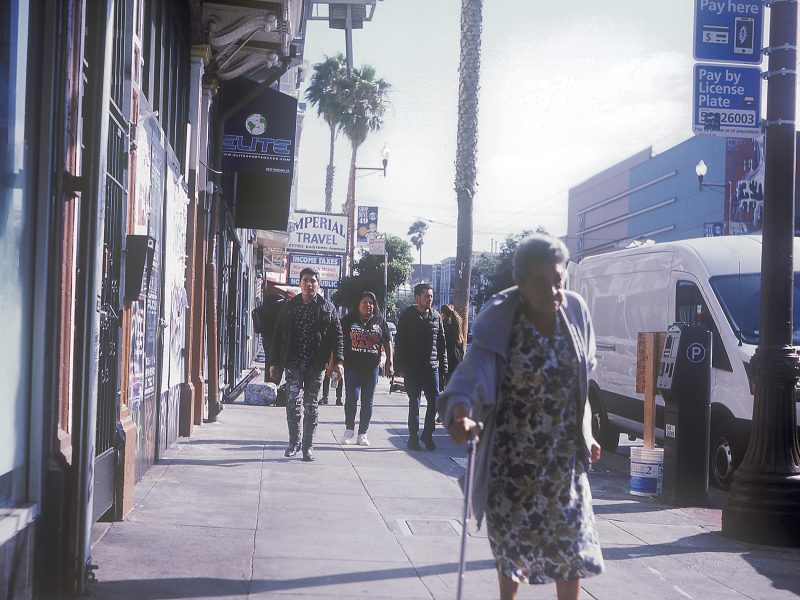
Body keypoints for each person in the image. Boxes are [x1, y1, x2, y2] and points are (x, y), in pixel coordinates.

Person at [440, 234, 604, 600]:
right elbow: (470, 377)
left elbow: (579, 389)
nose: (552, 290)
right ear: (522, 284)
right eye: (540, 282)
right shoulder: (502, 320)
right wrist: (462, 415)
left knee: (570, 553)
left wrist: (587, 434)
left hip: (563, 466)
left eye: (557, 279)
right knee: (512, 554)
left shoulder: (575, 313)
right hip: (512, 466)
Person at [269, 268, 344, 462]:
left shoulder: (327, 308)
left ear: (318, 284)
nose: (309, 284)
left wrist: (339, 362)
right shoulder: (289, 306)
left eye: (313, 281)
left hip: (316, 365)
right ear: (299, 283)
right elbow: (277, 335)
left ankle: (308, 446)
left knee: (311, 405)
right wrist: (274, 362)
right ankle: (294, 442)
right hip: (293, 363)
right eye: (305, 280)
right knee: (293, 402)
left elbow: (337, 337)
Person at [394, 282, 448, 451]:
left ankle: (428, 434)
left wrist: (444, 367)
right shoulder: (407, 316)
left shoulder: (436, 316)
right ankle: (413, 437)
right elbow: (399, 342)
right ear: (417, 298)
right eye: (426, 296)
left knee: (435, 402)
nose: (429, 299)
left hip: (432, 367)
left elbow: (441, 343)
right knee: (414, 403)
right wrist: (399, 367)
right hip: (412, 368)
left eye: (431, 296)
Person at [340, 291, 393, 446]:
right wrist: (337, 363)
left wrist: (390, 363)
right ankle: (349, 430)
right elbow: (339, 341)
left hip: (371, 369)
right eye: (364, 302)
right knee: (352, 398)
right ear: (358, 304)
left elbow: (387, 342)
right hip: (352, 367)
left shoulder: (380, 321)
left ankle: (362, 433)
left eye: (371, 303)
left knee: (367, 402)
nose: (367, 305)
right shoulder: (348, 320)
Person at [439, 303, 465, 388]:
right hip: (457, 360)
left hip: (447, 361)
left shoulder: (442, 326)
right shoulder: (456, 325)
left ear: (442, 314)